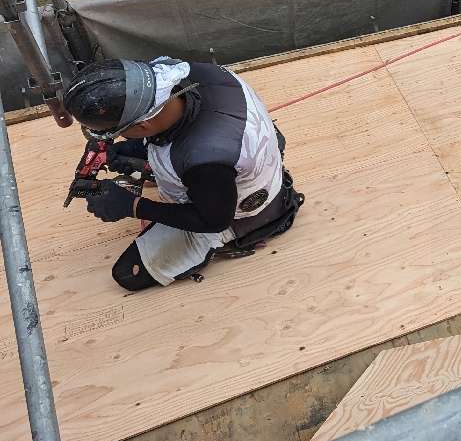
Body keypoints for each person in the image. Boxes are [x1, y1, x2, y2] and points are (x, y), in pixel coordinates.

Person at [62, 57, 305, 291]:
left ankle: (257, 226)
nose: (115, 138)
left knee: (128, 273)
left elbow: (213, 220)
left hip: (242, 208)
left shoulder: (204, 160)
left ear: (143, 125)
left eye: (116, 133)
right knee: (191, 168)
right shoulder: (186, 73)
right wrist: (135, 148)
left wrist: (132, 206)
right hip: (237, 147)